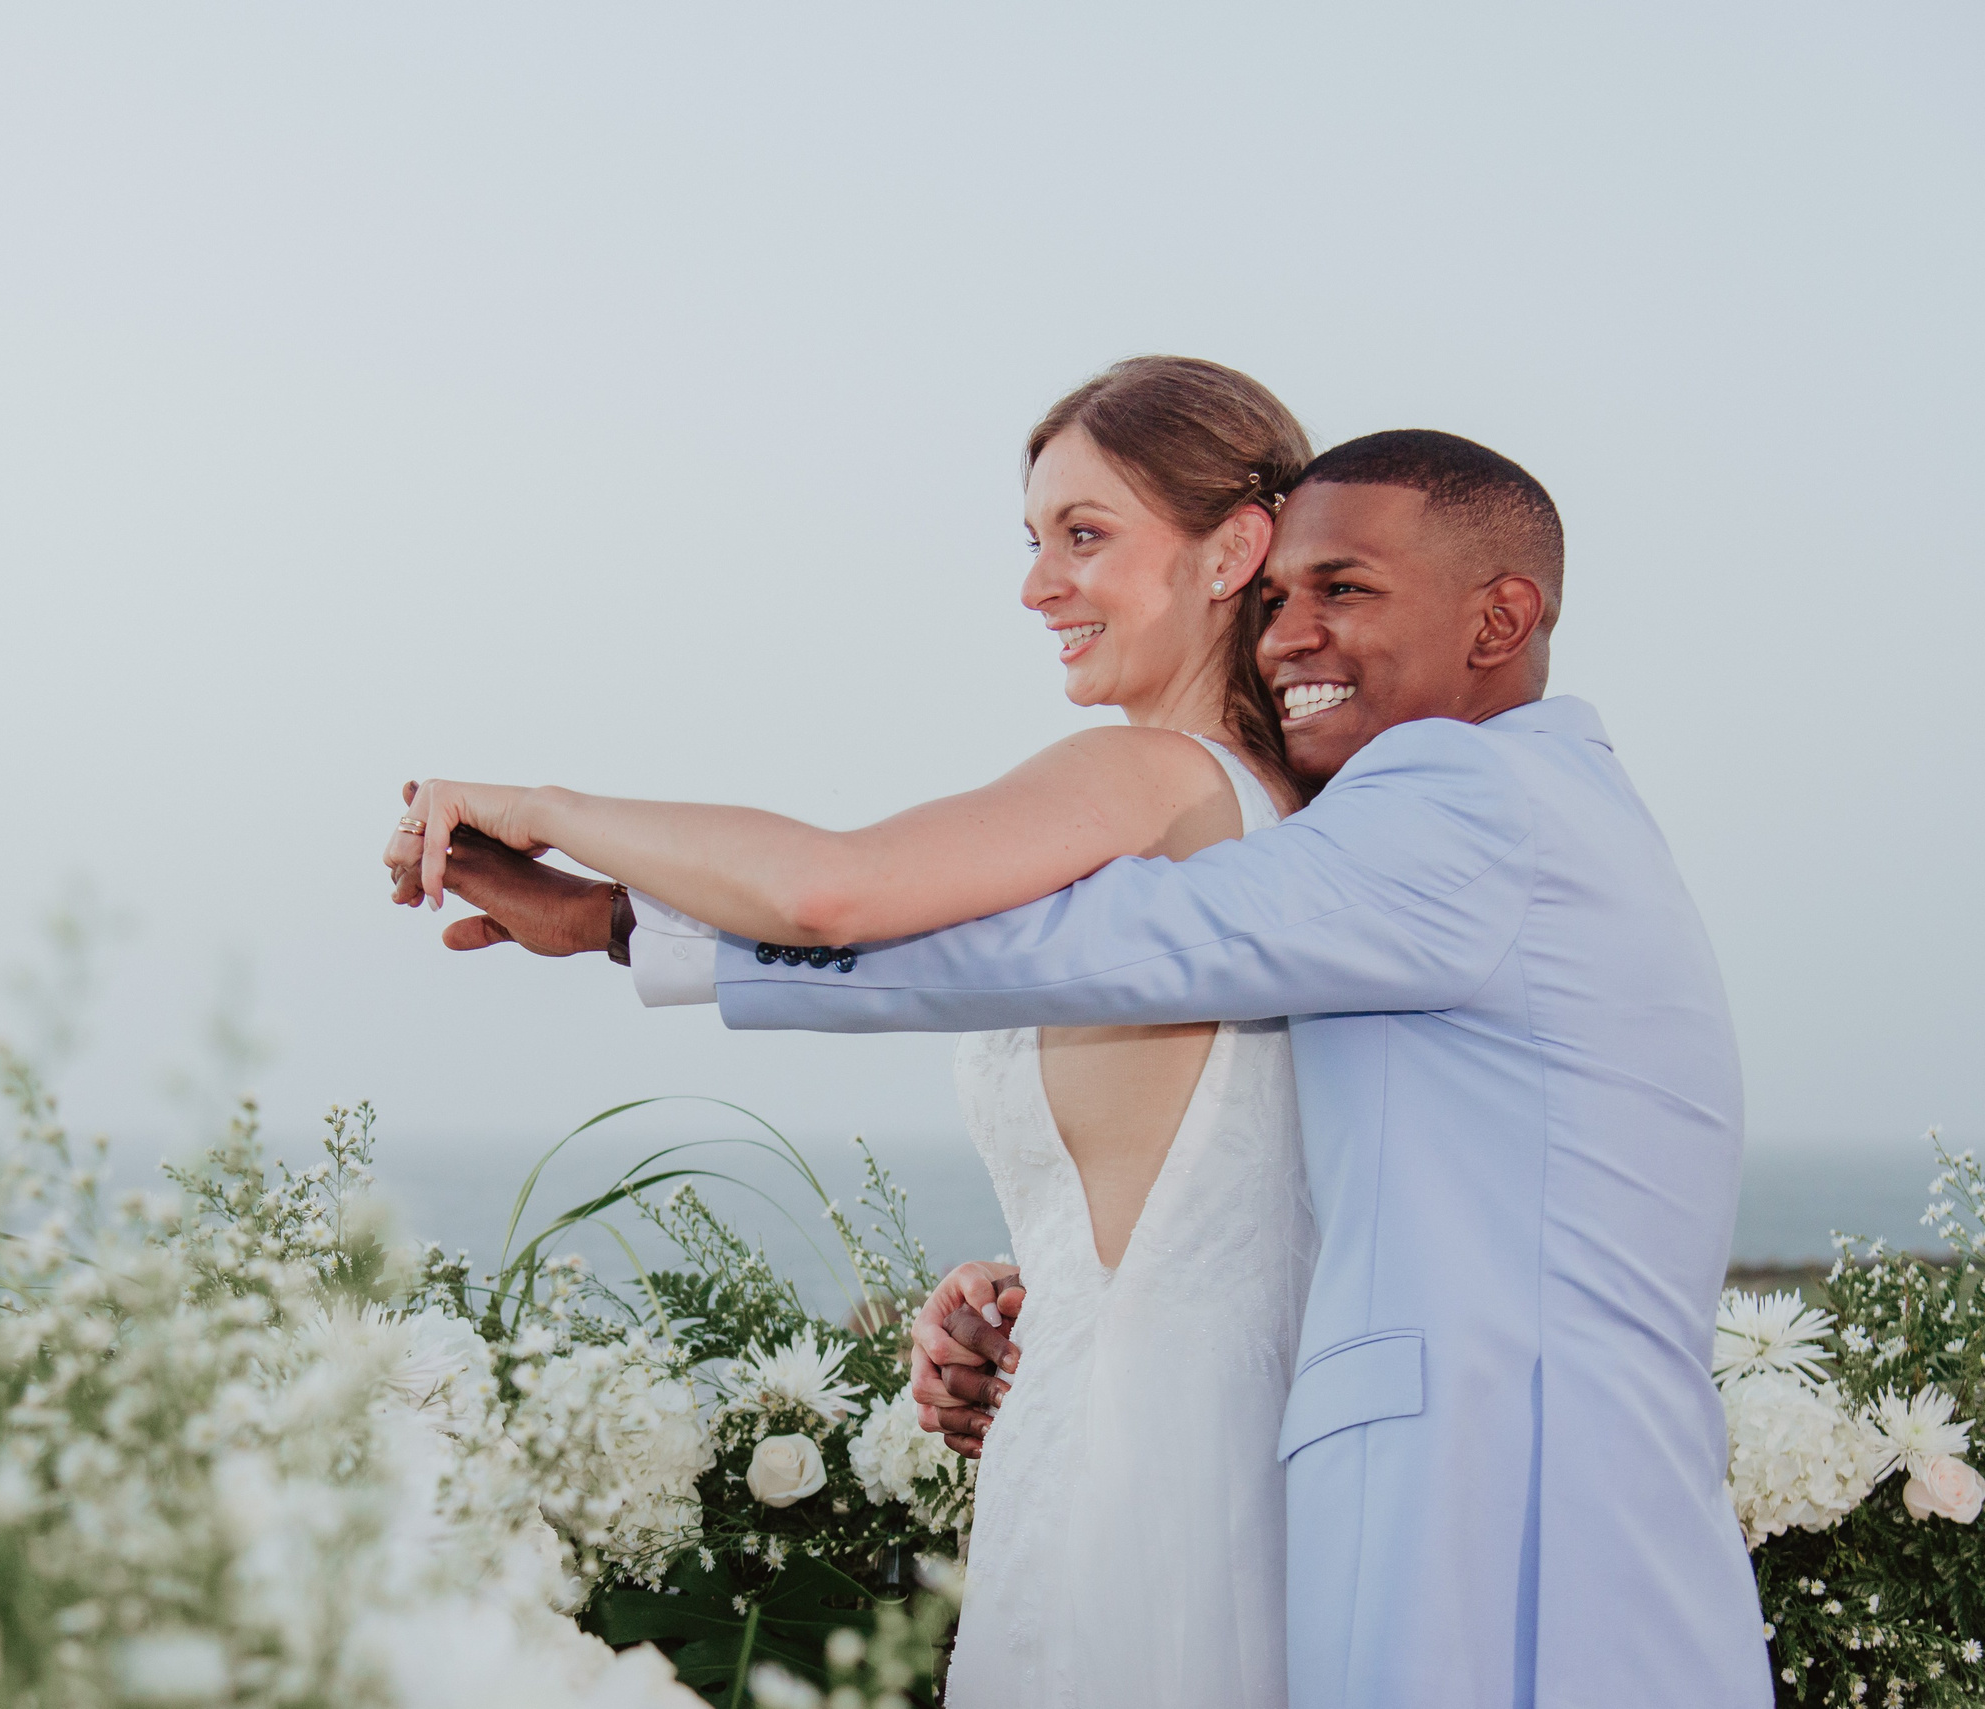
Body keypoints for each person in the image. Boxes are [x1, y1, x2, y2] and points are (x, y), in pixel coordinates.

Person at [384, 419, 1776, 1707]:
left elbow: (1005, 930)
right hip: (1466, 1503)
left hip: (1491, 1533)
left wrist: (606, 885)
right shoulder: (1423, 826)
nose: (1295, 632)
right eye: (1287, 596)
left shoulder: (1456, 800)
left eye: (1341, 590)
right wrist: (1065, 1272)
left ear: (1501, 615)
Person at [391, 356, 1322, 1708]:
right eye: (1033, 541)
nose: (1037, 585)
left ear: (1232, 548)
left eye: (1085, 535)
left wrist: (543, 802)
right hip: (1164, 1449)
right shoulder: (1259, 819)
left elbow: (831, 891)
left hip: (1142, 1487)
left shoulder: (1157, 774)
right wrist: (1041, 1280)